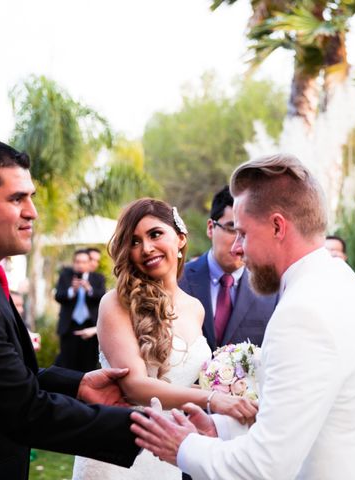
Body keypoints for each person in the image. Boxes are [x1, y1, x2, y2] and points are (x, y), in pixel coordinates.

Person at [130, 153, 355, 479]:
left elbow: (265, 467)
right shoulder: (337, 280)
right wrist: (222, 431)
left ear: (277, 226)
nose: (236, 249)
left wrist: (183, 447)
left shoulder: (302, 313)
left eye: (243, 233)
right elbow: (307, 417)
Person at [0, 138, 142, 479]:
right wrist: (145, 426)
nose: (32, 212)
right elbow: (25, 411)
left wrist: (78, 384)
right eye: (16, 198)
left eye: (31, 198)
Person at [72, 198, 258, 480]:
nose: (146, 248)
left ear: (181, 239)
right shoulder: (117, 302)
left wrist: (232, 385)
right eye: (134, 242)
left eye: (155, 234)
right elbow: (134, 386)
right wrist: (213, 398)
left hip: (171, 452)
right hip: (117, 450)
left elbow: (186, 380)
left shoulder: (195, 308)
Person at [179, 185, 277, 350]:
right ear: (211, 228)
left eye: (246, 233)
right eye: (232, 229)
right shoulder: (179, 280)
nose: (240, 243)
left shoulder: (271, 290)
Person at [54, 248, 106, 372]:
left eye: (84, 262)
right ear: (73, 263)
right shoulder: (66, 276)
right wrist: (72, 290)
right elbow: (58, 296)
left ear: (89, 263)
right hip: (69, 327)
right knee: (67, 365)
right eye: (77, 262)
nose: (80, 265)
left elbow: (102, 298)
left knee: (88, 366)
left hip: (90, 327)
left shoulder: (98, 278)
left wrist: (89, 289)